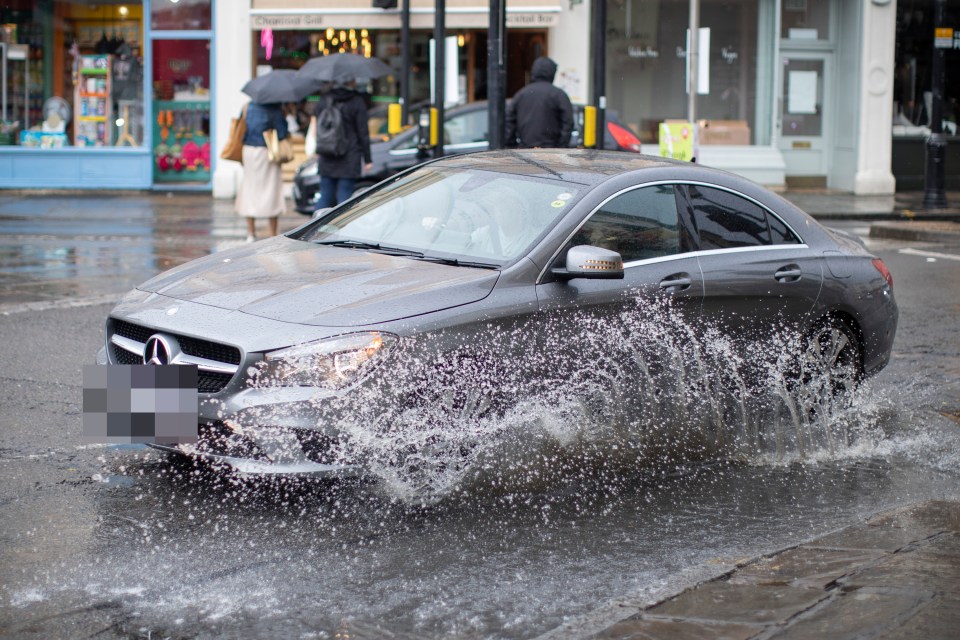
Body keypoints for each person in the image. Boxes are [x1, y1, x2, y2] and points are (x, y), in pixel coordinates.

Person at [314, 75, 373, 211]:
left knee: (325, 196)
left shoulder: (325, 99)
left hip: (327, 152)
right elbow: (363, 132)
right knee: (345, 197)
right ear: (351, 82)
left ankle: (314, 229)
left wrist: (317, 149)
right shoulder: (357, 101)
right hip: (350, 154)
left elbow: (320, 126)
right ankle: (342, 228)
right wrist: (368, 159)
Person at [235, 101, 288, 242]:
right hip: (267, 152)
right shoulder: (275, 107)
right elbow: (282, 133)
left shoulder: (247, 106)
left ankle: (251, 233)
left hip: (249, 151)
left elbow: (241, 129)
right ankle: (272, 233)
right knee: (271, 190)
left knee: (249, 188)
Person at [505, 56, 574, 149]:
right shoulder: (559, 95)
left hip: (525, 151)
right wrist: (560, 147)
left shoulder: (521, 94)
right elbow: (568, 123)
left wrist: (512, 145)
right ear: (552, 73)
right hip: (552, 153)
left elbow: (509, 121)